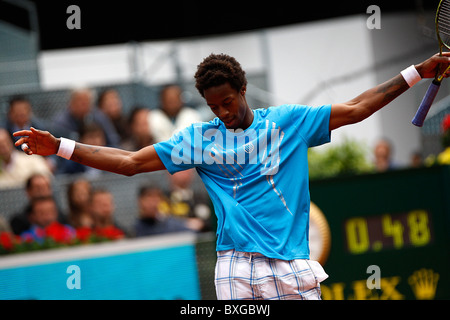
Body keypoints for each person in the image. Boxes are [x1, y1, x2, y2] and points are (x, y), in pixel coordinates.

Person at [13, 52, 450, 300]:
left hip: (291, 265)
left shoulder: (287, 122)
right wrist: (62, 147)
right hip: (236, 266)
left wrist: (416, 73)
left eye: (227, 101)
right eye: (213, 105)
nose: (222, 111)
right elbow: (130, 162)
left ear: (242, 89)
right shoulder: (199, 139)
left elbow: (357, 110)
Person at [51, 87, 120, 148]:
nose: (83, 105)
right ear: (71, 102)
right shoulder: (61, 123)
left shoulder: (99, 117)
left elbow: (113, 141)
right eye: (80, 102)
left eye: (86, 102)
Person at [134, 185, 204, 237]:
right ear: (140, 201)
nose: (153, 203)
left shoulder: (169, 223)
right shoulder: (136, 230)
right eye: (149, 198)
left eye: (156, 198)